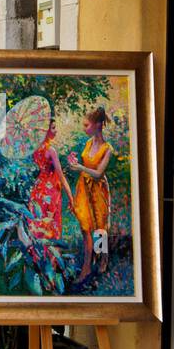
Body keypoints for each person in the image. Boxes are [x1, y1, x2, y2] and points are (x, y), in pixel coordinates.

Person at [68, 106, 114, 287]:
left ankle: (103, 258)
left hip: (98, 190)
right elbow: (86, 165)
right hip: (84, 189)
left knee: (99, 228)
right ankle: (87, 266)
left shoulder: (107, 148)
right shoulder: (88, 143)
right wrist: (75, 163)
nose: (84, 128)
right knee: (86, 227)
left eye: (87, 125)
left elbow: (98, 174)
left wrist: (80, 168)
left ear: (97, 125)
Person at [28, 118, 74, 241]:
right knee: (50, 225)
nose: (56, 131)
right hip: (51, 190)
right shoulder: (51, 150)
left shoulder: (36, 149)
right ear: (45, 130)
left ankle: (39, 256)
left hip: (38, 189)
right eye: (53, 128)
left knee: (40, 223)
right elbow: (60, 176)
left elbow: (44, 168)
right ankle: (51, 257)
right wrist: (70, 196)